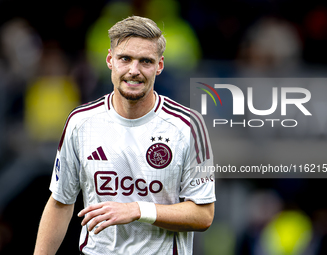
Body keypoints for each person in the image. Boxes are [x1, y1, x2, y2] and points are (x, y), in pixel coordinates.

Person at [34, 16, 215, 255]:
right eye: (125, 59)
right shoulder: (81, 123)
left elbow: (203, 215)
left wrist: (138, 210)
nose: (134, 70)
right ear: (110, 60)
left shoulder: (188, 126)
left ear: (159, 66)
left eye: (146, 61)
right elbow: (60, 202)